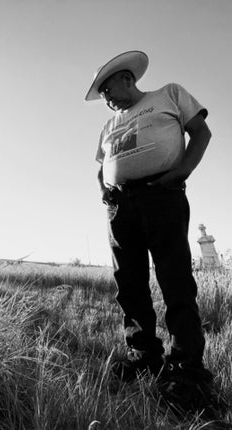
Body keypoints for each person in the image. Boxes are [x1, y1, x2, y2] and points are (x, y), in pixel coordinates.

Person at [85, 50, 215, 412]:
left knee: (174, 278)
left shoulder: (169, 94)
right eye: (102, 94)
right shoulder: (108, 126)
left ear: (127, 79)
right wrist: (104, 192)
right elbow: (102, 166)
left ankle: (187, 368)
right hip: (120, 206)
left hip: (163, 194)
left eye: (108, 89)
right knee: (129, 282)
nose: (106, 98)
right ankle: (144, 354)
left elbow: (201, 133)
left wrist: (181, 172)